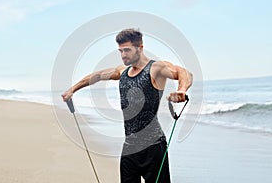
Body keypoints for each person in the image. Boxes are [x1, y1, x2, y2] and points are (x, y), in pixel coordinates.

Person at [62, 28, 193, 183]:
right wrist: (72, 89)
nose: (123, 54)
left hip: (153, 147)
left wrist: (182, 90)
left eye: (127, 50)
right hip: (129, 147)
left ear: (140, 48)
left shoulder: (156, 68)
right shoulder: (122, 71)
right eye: (120, 51)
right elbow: (97, 76)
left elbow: (184, 73)